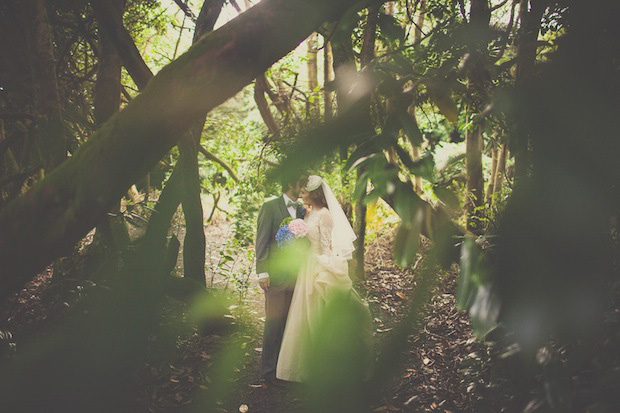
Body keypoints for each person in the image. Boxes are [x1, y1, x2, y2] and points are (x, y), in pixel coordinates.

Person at [276, 175, 373, 383]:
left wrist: (324, 265)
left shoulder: (325, 215)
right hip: (306, 267)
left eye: (305, 191)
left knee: (318, 314)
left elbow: (328, 247)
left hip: (319, 267)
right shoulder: (310, 213)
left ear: (315, 193)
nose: (301, 195)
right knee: (303, 316)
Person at [255, 173, 307, 386]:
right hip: (275, 275)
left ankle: (284, 369)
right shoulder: (270, 207)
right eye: (300, 182)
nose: (302, 186)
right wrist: (263, 272)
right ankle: (269, 371)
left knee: (290, 323)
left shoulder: (304, 210)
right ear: (289, 183)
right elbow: (262, 241)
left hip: (299, 275)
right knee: (274, 323)